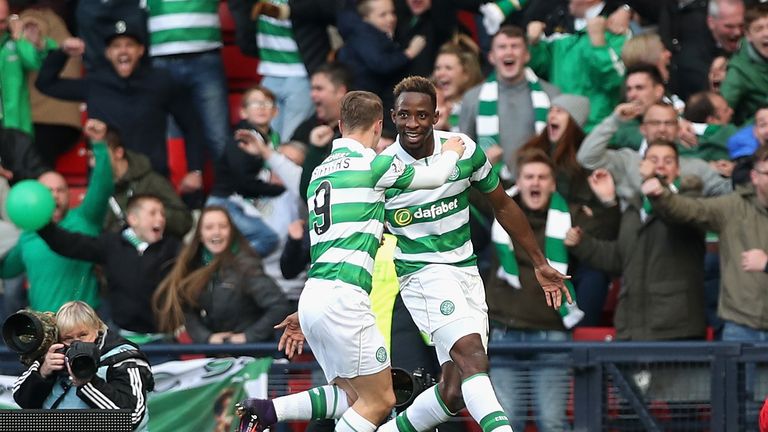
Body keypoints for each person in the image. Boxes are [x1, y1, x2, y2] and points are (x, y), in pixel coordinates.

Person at [237, 90, 466, 432]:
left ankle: (268, 410)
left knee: (351, 395)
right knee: (382, 400)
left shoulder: (317, 174)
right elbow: (434, 178)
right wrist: (451, 152)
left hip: (313, 295)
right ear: (378, 126)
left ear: (340, 125)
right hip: (345, 298)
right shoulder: (374, 164)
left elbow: (330, 244)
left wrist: (306, 311)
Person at [35, 24, 205, 192]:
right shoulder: (95, 83)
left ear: (141, 50)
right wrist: (62, 53)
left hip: (152, 180)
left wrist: (195, 170)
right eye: (116, 46)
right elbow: (45, 84)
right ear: (108, 54)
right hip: (106, 181)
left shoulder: (161, 82)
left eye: (129, 45)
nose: (123, 51)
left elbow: (191, 125)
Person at [566, 140, 708, 341]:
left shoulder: (691, 200)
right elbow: (618, 259)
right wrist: (582, 243)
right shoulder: (634, 208)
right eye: (653, 160)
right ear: (641, 166)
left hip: (676, 329)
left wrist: (656, 182)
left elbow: (676, 216)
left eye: (667, 161)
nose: (659, 166)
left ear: (677, 170)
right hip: (632, 327)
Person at [642, 144, 768, 341]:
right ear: (754, 176)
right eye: (767, 173)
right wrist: (661, 194)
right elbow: (689, 209)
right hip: (741, 325)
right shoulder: (733, 206)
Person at [518, 94, 620, 326]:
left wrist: (587, 216)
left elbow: (603, 225)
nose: (552, 115)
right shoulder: (534, 152)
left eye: (560, 111)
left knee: (594, 275)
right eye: (551, 110)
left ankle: (581, 343)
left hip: (575, 244)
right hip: (538, 236)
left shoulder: (591, 161)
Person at [0, 119, 113, 313]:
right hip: (44, 328)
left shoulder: (85, 219)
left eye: (60, 190)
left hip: (84, 326)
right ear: (37, 196)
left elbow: (102, 186)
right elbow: (7, 269)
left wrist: (100, 146)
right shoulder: (29, 233)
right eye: (48, 191)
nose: (54, 196)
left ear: (69, 195)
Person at [37, 194, 180, 343]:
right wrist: (41, 225)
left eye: (162, 214)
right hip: (122, 339)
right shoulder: (112, 244)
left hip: (163, 341)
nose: (160, 219)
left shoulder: (174, 248)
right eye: (153, 213)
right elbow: (71, 244)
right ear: (133, 219)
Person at [153, 206, 290, 344]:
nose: (216, 232)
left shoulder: (246, 265)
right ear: (200, 235)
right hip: (214, 355)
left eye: (223, 226)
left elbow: (279, 306)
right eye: (209, 227)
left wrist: (247, 337)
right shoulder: (193, 265)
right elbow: (186, 310)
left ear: (232, 232)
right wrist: (207, 338)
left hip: (249, 355)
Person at [12, 301, 154, 431]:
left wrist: (87, 382)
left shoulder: (124, 359)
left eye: (83, 335)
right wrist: (42, 372)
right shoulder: (55, 354)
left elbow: (132, 418)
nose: (76, 343)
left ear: (97, 329)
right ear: (59, 338)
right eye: (68, 338)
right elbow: (21, 400)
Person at [460, 25, 560, 175]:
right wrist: (482, 161)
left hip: (539, 185)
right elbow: (463, 154)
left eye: (515, 46)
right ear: (491, 57)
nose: (509, 52)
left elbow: (562, 149)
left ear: (527, 55)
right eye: (502, 47)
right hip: (491, 189)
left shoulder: (551, 95)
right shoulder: (472, 98)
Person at [207, 86, 285, 257]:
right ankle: (229, 268)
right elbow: (243, 184)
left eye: (267, 103)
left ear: (276, 111)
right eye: (255, 103)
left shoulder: (275, 139)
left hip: (246, 203)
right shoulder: (241, 138)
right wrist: (281, 189)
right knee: (267, 239)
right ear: (243, 112)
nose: (262, 107)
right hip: (225, 202)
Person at [526, 1, 628, 131]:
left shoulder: (617, 30)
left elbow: (615, 82)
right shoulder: (560, 31)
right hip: (561, 130)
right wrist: (533, 44)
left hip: (596, 131)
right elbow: (536, 69)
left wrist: (598, 44)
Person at [104, 126, 193, 240]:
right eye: (91, 157)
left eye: (100, 155)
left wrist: (154, 214)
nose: (93, 163)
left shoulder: (152, 181)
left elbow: (185, 221)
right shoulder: (98, 190)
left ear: (119, 153)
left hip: (156, 253)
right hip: (116, 252)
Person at [721, 3, 768, 125]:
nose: (766, 34)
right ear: (748, 35)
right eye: (759, 29)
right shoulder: (739, 71)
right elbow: (721, 113)